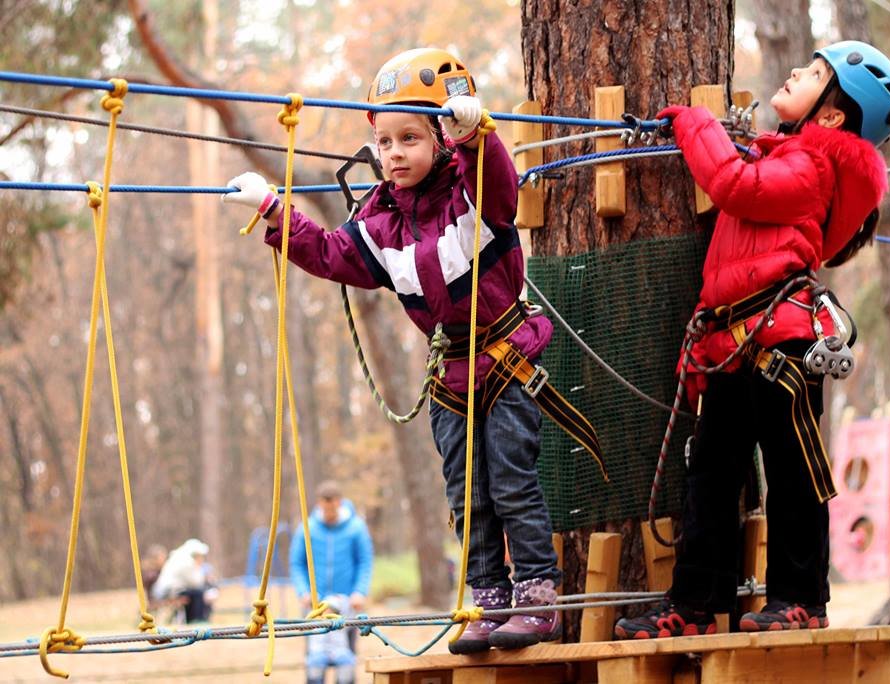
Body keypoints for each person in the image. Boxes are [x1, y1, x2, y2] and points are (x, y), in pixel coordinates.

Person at [223, 48, 591, 653]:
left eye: (410, 138)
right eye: (385, 141)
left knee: (511, 484)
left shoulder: (473, 198)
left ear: (442, 140)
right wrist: (272, 209)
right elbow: (329, 252)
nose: (395, 153)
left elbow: (498, 183)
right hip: (449, 375)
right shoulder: (378, 223)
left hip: (504, 358)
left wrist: (478, 133)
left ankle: (537, 598)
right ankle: (488, 597)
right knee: (466, 496)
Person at [614, 41, 890, 639]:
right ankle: (696, 602)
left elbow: (730, 183)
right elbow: (725, 269)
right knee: (711, 479)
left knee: (793, 473)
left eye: (815, 73)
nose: (796, 69)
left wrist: (695, 123)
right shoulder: (780, 158)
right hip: (732, 343)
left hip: (785, 349)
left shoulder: (811, 167)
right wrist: (699, 345)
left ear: (829, 116)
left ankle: (802, 598)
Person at [289, 481, 373, 684]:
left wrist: (359, 591)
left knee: (346, 659)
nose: (329, 513)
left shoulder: (356, 528)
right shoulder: (307, 528)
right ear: (319, 504)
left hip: (347, 604)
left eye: (332, 508)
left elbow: (365, 561)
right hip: (315, 606)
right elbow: (297, 563)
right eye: (325, 508)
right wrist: (303, 592)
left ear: (339, 503)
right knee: (314, 660)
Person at [150, 538, 218, 623]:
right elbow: (196, 582)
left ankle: (196, 619)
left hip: (168, 590)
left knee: (195, 593)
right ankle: (196, 620)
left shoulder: (180, 557)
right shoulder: (186, 562)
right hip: (167, 592)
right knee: (198, 593)